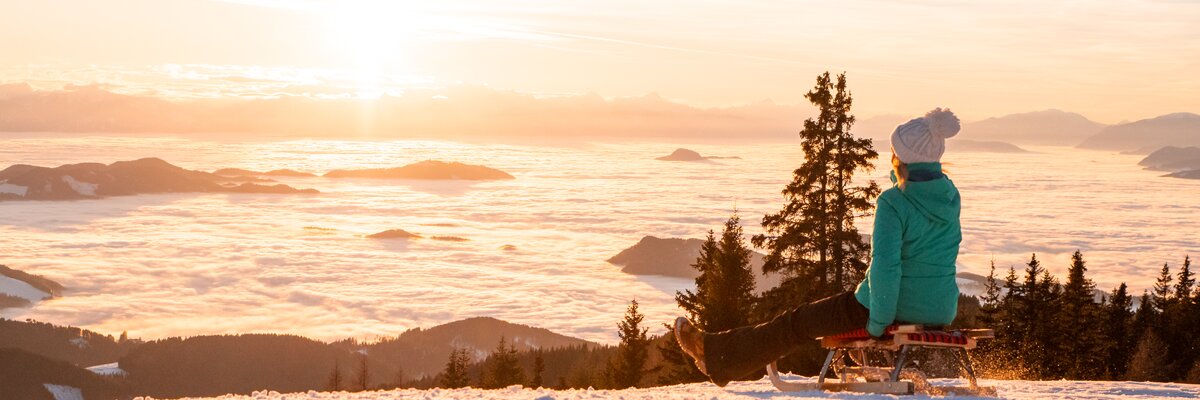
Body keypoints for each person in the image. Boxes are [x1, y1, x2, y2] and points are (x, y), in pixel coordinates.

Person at [674, 108, 964, 387]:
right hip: (940, 309)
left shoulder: (893, 203)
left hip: (893, 307)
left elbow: (886, 268)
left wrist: (877, 325)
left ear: (899, 157)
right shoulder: (950, 197)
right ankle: (720, 355)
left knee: (797, 323)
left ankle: (716, 355)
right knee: (813, 317)